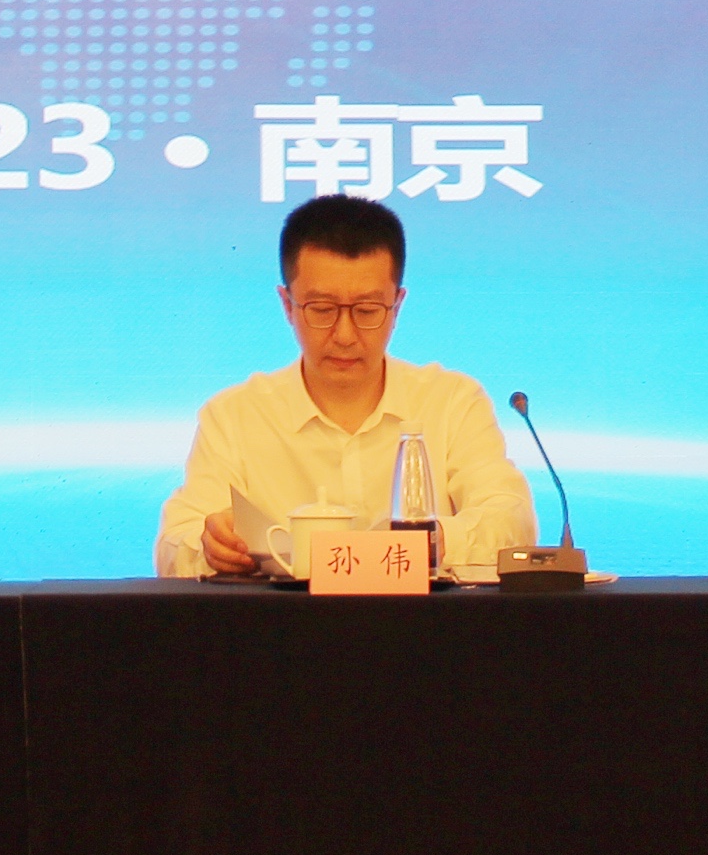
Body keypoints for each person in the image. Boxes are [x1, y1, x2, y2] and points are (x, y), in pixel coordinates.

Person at [156, 192, 538, 578]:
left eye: (367, 311)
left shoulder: (451, 402)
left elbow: (511, 518)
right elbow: (175, 544)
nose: (344, 335)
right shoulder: (234, 415)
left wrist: (430, 542)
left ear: (397, 306)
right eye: (322, 309)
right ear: (287, 305)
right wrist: (210, 547)